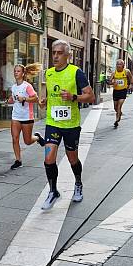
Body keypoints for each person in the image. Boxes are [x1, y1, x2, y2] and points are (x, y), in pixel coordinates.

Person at [38, 40, 96, 210]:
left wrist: (73, 97)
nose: (55, 56)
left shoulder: (76, 73)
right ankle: (53, 191)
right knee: (49, 158)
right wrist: (44, 101)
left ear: (67, 55)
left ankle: (78, 183)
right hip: (53, 123)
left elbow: (91, 97)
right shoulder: (48, 73)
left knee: (72, 159)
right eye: (54, 52)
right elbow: (52, 96)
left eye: (59, 53)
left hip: (71, 124)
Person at [7, 63, 44, 169]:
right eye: (15, 71)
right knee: (15, 138)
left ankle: (37, 138)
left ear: (23, 74)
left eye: (18, 71)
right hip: (16, 116)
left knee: (27, 141)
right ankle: (18, 160)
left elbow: (35, 98)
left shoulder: (27, 86)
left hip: (27, 116)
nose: (16, 73)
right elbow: (13, 98)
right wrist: (9, 100)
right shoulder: (14, 87)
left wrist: (25, 99)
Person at [109, 59, 133, 128]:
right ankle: (119, 113)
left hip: (123, 91)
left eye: (120, 64)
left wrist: (131, 85)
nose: (118, 65)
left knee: (119, 106)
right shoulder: (114, 73)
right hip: (116, 91)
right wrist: (112, 82)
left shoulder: (126, 72)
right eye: (117, 64)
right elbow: (109, 82)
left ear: (123, 65)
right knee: (115, 107)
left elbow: (131, 79)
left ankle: (117, 120)